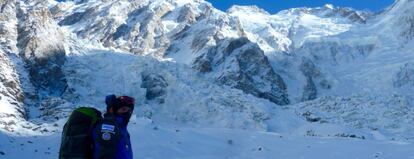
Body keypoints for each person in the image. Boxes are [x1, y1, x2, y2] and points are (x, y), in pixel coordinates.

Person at [92, 95, 135, 159]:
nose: (127, 112)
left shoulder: (121, 127)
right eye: (123, 109)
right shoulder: (108, 128)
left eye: (129, 110)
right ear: (114, 110)